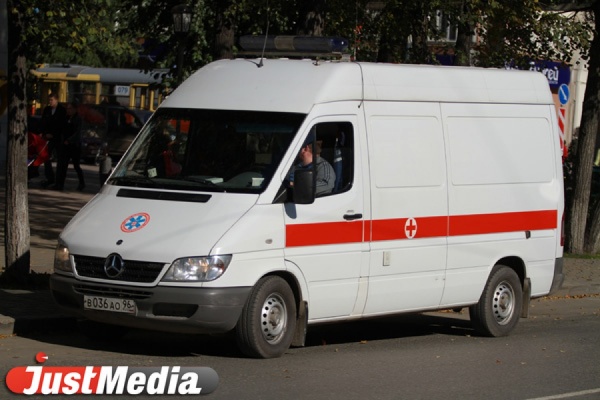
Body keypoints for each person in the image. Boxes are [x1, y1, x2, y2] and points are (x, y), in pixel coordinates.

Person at [54, 101, 85, 191]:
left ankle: (82, 183)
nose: (68, 110)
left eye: (70, 108)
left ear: (75, 109)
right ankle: (59, 184)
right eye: (67, 109)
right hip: (65, 145)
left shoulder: (78, 119)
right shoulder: (66, 118)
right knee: (63, 165)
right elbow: (62, 130)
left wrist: (69, 140)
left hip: (74, 146)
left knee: (76, 165)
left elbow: (77, 133)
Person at [40, 93, 67, 187]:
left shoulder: (62, 110)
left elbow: (62, 125)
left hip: (58, 138)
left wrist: (54, 134)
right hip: (48, 137)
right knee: (45, 157)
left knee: (60, 159)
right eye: (49, 100)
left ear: (56, 100)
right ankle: (50, 177)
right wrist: (44, 133)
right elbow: (43, 122)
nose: (50, 102)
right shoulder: (47, 110)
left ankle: (58, 181)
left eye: (52, 100)